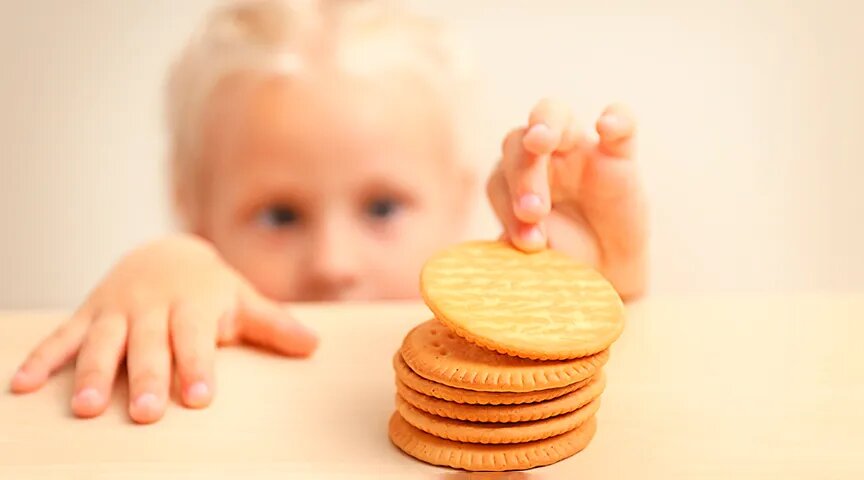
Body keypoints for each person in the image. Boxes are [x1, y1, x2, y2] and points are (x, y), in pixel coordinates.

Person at [9, 0, 648, 424]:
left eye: (382, 206)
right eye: (280, 215)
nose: (334, 264)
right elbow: (167, 296)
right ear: (193, 208)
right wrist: (164, 269)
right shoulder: (195, 298)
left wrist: (596, 277)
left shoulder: (481, 354)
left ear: (459, 197)